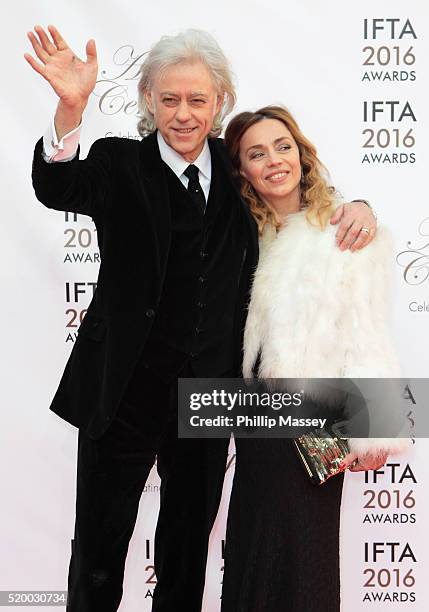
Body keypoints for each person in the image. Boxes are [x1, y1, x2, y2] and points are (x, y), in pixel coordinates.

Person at [25, 24, 377, 612]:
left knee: (186, 555)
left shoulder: (241, 174)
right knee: (98, 552)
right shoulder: (117, 163)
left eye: (197, 99)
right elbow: (56, 183)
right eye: (169, 99)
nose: (183, 114)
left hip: (209, 401)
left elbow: (300, 204)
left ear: (220, 103)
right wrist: (69, 110)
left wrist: (360, 207)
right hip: (121, 396)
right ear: (147, 100)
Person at [221, 106, 409, 612]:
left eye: (283, 146)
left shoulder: (342, 232)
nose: (274, 161)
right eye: (256, 154)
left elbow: (365, 332)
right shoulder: (241, 238)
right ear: (242, 170)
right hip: (254, 424)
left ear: (301, 155)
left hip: (313, 426)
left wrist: (375, 426)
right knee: (249, 549)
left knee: (305, 555)